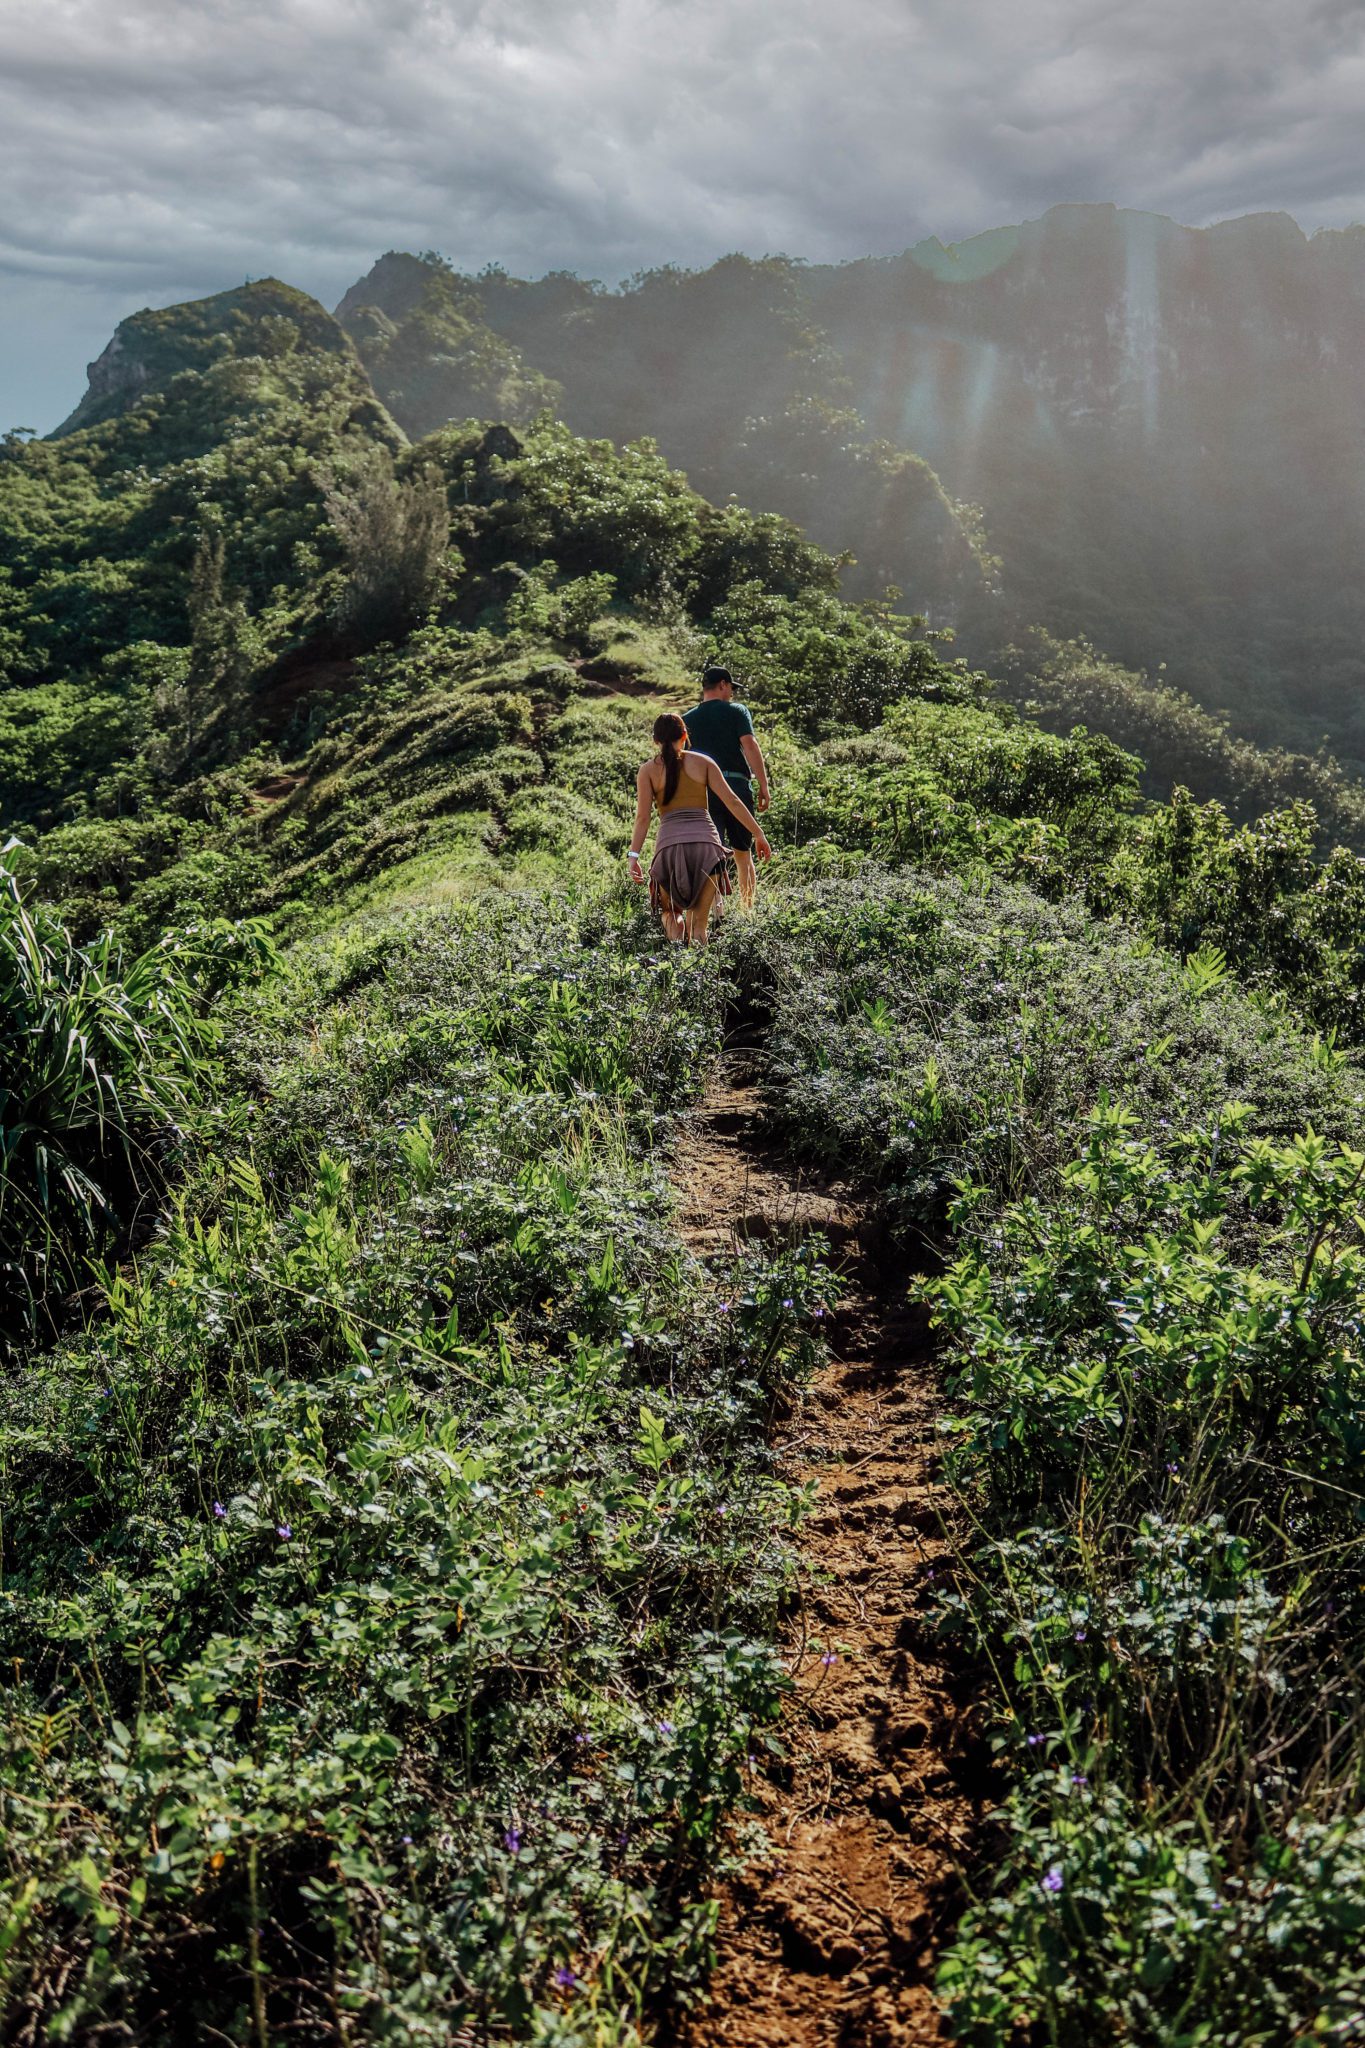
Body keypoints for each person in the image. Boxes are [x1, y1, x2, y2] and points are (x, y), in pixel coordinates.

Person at [627, 713, 770, 945]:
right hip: (707, 849)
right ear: (684, 736)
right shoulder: (703, 763)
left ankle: (674, 964)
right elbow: (732, 801)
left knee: (672, 915)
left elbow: (643, 818)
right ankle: (703, 975)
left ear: (655, 741)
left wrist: (633, 856)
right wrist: (758, 833)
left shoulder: (647, 771)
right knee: (699, 931)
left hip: (669, 849)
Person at [682, 665, 771, 908]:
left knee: (712, 854)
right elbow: (750, 746)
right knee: (743, 853)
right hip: (737, 787)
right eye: (731, 688)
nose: (731, 694)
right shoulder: (737, 711)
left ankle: (713, 912)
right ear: (723, 684)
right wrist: (764, 785)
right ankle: (747, 910)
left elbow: (683, 760)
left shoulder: (686, 719)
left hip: (704, 793)